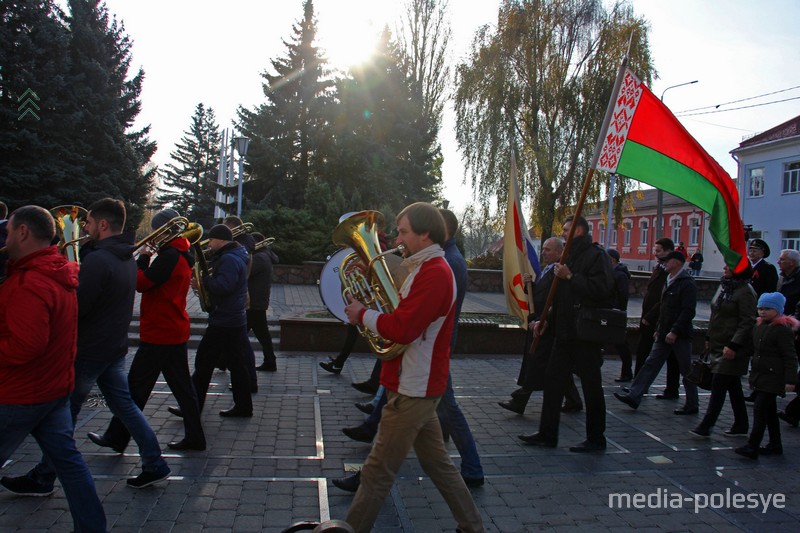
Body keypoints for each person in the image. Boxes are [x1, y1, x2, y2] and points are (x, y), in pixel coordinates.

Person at [5, 199, 171, 493]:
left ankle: (44, 477)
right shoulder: (125, 256)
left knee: (65, 417)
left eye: (89, 223)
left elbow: (76, 307)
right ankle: (155, 463)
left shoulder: (98, 260)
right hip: (113, 347)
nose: (84, 227)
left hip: (90, 349)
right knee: (126, 407)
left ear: (103, 225)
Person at [340, 202, 484, 533]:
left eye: (403, 232)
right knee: (439, 464)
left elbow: (404, 328)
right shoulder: (423, 266)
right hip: (415, 384)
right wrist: (368, 276)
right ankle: (473, 527)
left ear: (424, 234)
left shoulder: (435, 272)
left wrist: (363, 314)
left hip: (414, 387)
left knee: (376, 472)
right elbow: (397, 296)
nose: (396, 239)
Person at [0, 205, 107, 532]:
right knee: (70, 464)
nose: (5, 239)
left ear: (22, 232)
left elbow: (26, 345)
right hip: (54, 388)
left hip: (21, 393)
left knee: (70, 463)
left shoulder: (29, 282)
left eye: (8, 232)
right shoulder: (60, 271)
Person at [94, 208, 206, 452]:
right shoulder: (180, 252)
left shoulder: (169, 255)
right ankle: (194, 437)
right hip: (171, 328)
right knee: (182, 390)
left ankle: (117, 437)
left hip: (160, 331)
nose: (154, 234)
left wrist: (142, 258)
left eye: (157, 229)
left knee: (136, 388)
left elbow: (142, 283)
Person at [518, 215, 613, 453]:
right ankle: (547, 433)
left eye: (567, 229)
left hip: (585, 335)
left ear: (580, 230)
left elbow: (602, 290)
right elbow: (559, 297)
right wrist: (546, 319)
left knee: (592, 387)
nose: (563, 232)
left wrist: (571, 276)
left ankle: (596, 438)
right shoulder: (568, 256)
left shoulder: (596, 256)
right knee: (552, 382)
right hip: (563, 333)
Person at [497, 237, 583, 414]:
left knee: (537, 362)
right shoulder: (548, 269)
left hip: (547, 327)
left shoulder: (558, 272)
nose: (544, 252)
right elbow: (543, 295)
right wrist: (531, 286)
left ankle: (520, 400)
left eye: (548, 250)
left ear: (559, 253)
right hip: (541, 323)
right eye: (543, 249)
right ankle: (574, 400)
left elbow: (557, 300)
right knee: (557, 366)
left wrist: (542, 320)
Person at [179, 223, 253, 417]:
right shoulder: (237, 255)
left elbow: (223, 286)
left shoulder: (229, 258)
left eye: (211, 240)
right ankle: (243, 406)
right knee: (237, 364)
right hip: (234, 317)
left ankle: (192, 408)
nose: (209, 244)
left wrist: (203, 281)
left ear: (220, 240)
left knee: (203, 363)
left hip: (224, 319)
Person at [614, 251, 699, 415]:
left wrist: (674, 331)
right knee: (650, 363)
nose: (664, 264)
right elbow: (664, 307)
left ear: (676, 262)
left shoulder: (687, 283)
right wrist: (659, 329)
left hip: (679, 335)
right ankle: (634, 395)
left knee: (686, 369)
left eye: (667, 261)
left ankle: (692, 404)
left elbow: (688, 311)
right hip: (664, 333)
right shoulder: (670, 280)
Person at [689, 264, 756, 438]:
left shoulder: (745, 291)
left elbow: (747, 321)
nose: (725, 267)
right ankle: (741, 424)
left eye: (730, 265)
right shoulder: (725, 285)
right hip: (718, 344)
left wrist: (734, 345)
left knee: (719, 384)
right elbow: (715, 315)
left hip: (733, 347)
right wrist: (708, 338)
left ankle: (706, 425)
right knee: (733, 386)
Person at [735, 292, 798, 459]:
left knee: (760, 409)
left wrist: (791, 380)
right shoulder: (760, 326)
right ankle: (775, 444)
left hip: (773, 377)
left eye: (767, 309)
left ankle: (752, 446)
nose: (762, 312)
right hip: (760, 375)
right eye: (760, 308)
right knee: (769, 411)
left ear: (777, 310)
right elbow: (753, 349)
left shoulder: (782, 330)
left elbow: (790, 356)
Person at [634, 237, 681, 399]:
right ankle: (638, 386)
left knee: (663, 357)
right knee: (645, 352)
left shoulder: (672, 275)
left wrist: (650, 316)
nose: (655, 254)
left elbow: (663, 299)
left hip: (659, 319)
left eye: (659, 251)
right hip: (653, 318)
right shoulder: (660, 269)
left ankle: (670, 389)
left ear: (669, 252)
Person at [223, 215, 258, 391]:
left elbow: (232, 277)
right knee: (241, 344)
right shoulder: (246, 243)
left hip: (233, 301)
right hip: (240, 296)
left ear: (231, 225)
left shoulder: (239, 247)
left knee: (241, 345)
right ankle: (248, 383)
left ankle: (248, 383)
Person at [249, 232, 279, 372]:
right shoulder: (264, 255)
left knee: (238, 335)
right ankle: (270, 360)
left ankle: (270, 361)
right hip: (257, 301)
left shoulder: (260, 257)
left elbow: (245, 272)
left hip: (254, 302)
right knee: (262, 334)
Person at [608, 248, 633, 382]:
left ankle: (627, 372)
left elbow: (623, 296)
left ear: (612, 260)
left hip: (616, 314)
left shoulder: (620, 275)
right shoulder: (613, 273)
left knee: (621, 344)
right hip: (611, 312)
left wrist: (618, 310)